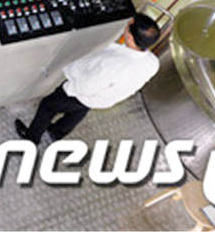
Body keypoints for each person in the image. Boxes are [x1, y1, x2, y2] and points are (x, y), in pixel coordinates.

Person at [15, 13, 160, 142]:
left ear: (130, 36)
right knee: (80, 109)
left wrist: (68, 86)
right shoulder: (153, 62)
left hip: (83, 91)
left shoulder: (112, 65)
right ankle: (57, 132)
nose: (126, 26)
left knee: (48, 105)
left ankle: (31, 138)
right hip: (105, 97)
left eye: (128, 26)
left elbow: (85, 88)